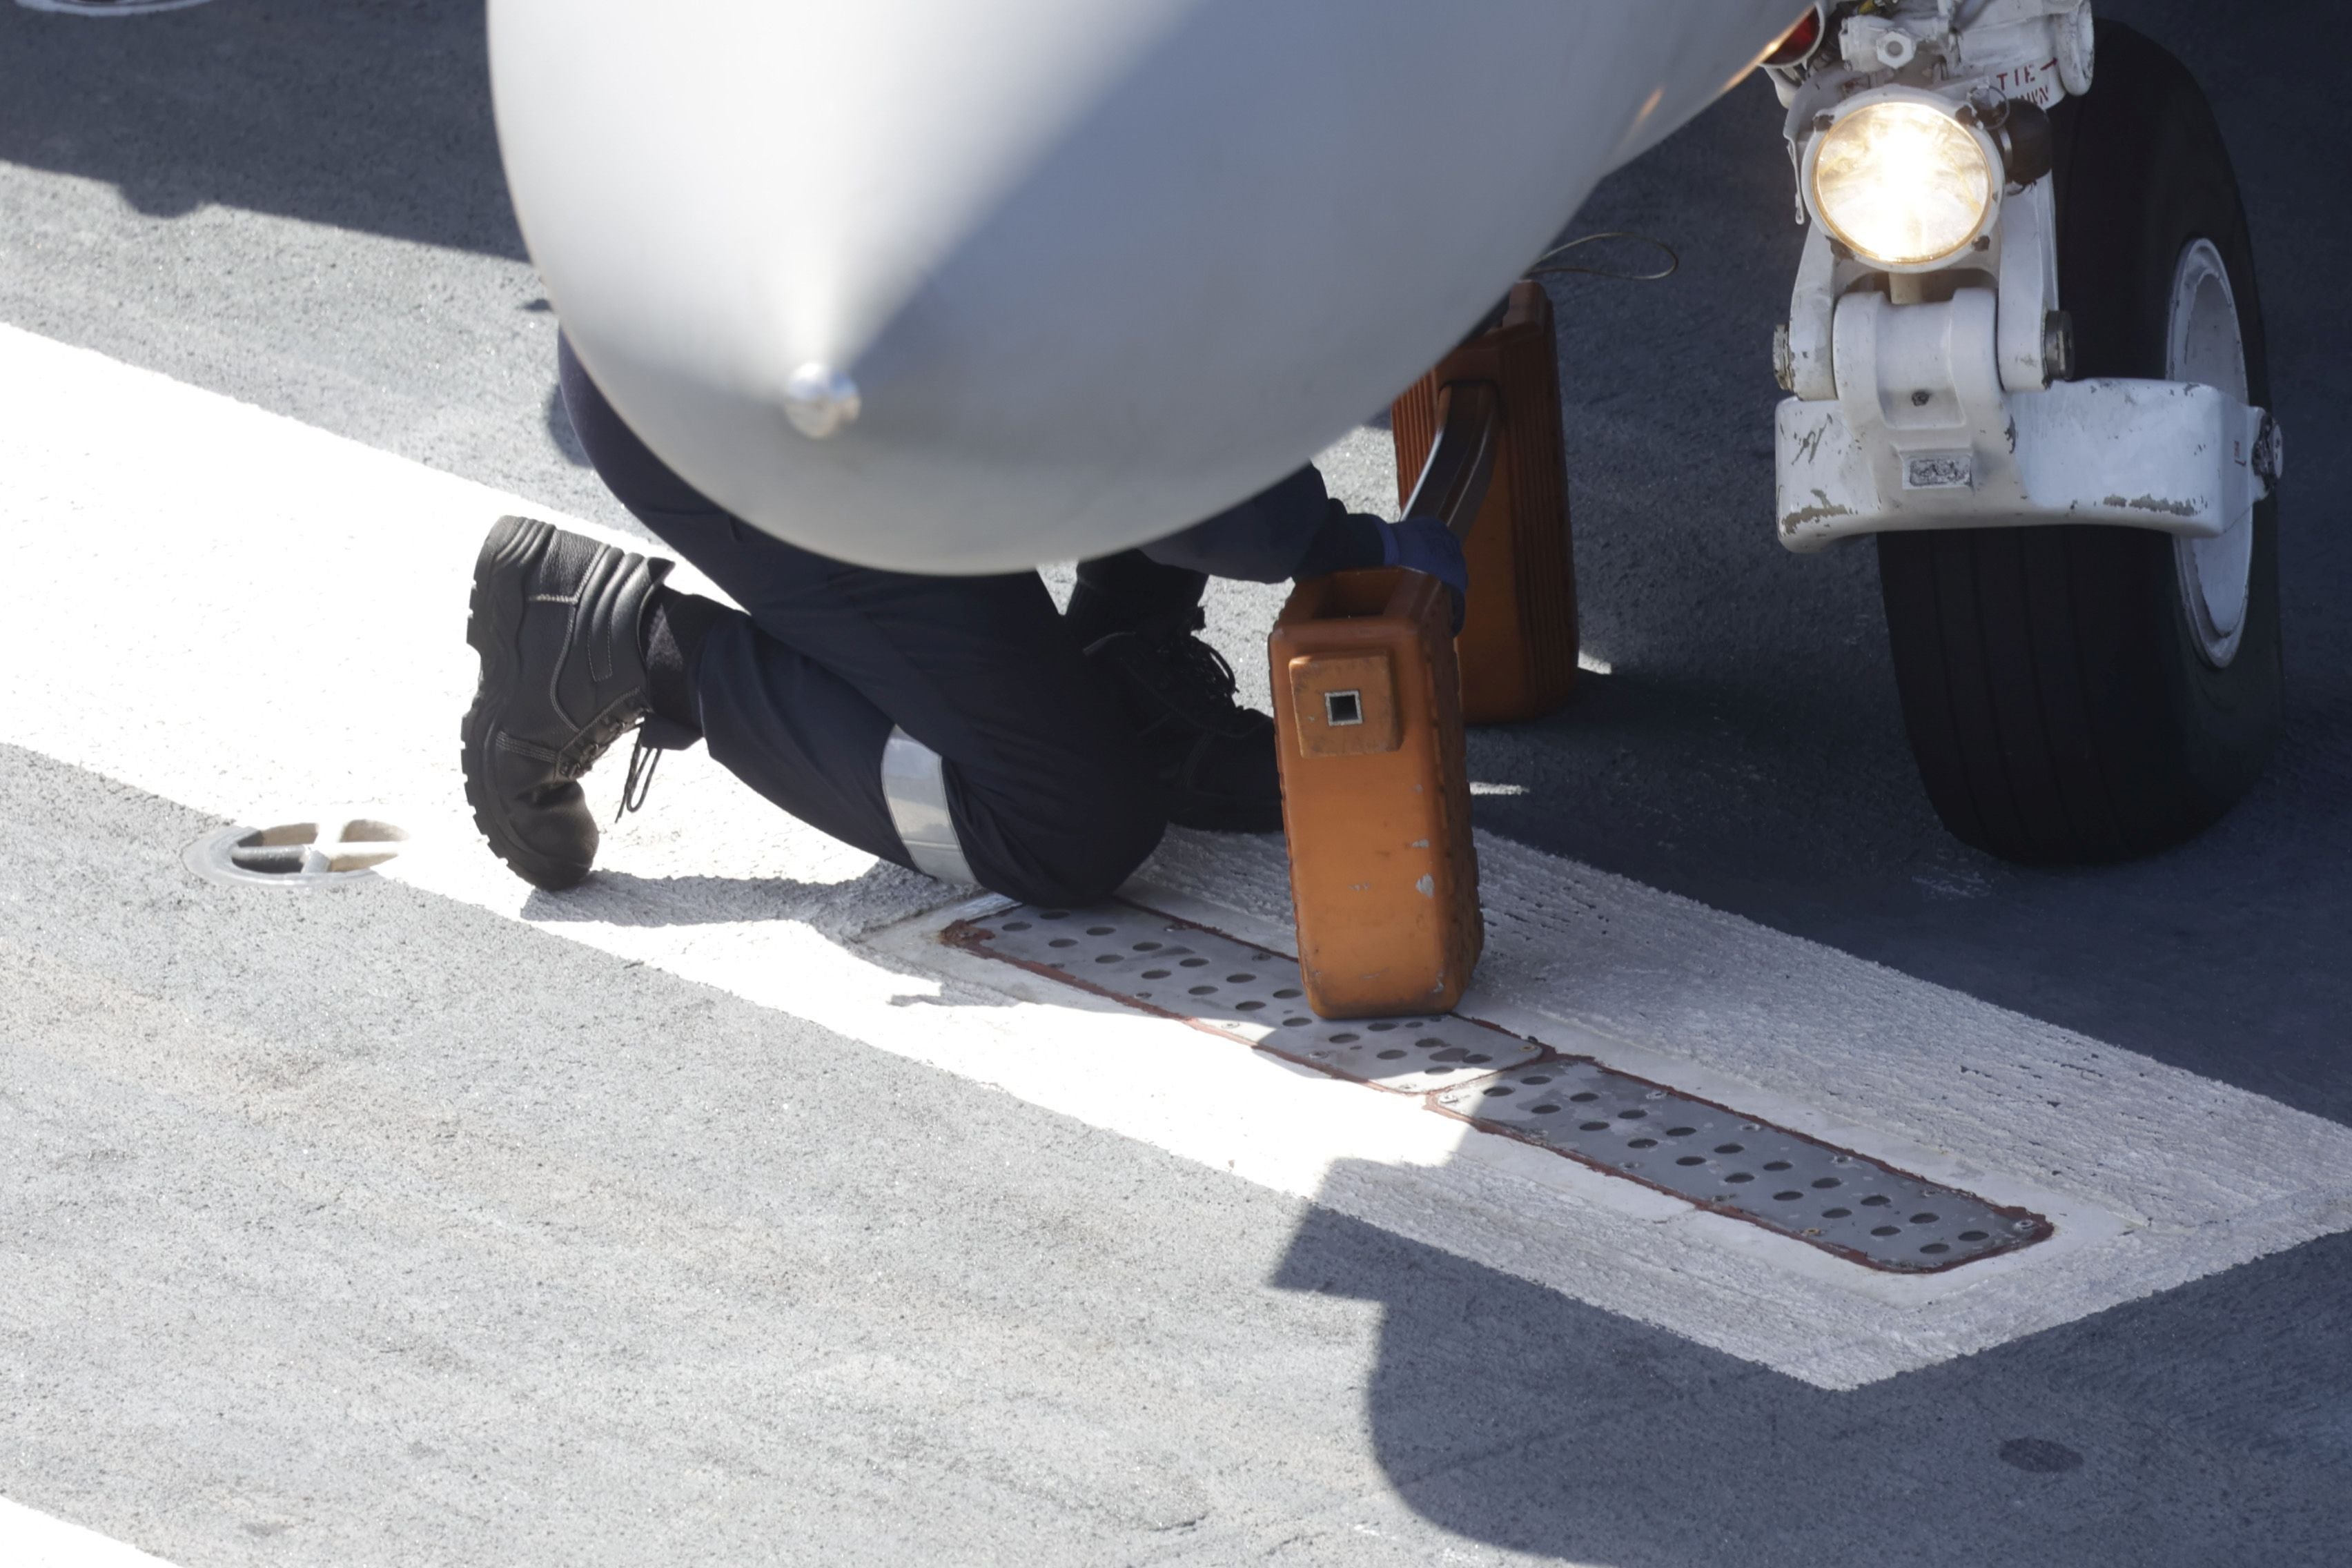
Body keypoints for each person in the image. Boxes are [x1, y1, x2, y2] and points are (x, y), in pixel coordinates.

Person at [459, 335, 1465, 908]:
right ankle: (637, 652)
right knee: (1071, 824)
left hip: (823, 364)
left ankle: (1123, 663)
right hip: (734, 423)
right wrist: (1331, 546)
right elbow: (1158, 462)